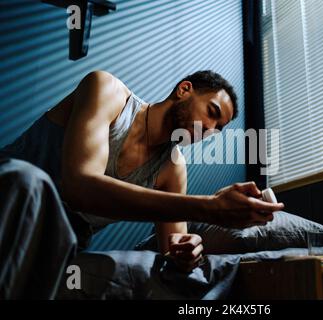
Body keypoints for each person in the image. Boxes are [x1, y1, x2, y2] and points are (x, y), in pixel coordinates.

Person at [0, 70, 283, 298]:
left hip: (57, 240)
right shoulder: (107, 91)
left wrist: (188, 251)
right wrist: (208, 207)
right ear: (184, 90)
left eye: (218, 128)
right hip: (10, 193)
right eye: (211, 112)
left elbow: (173, 249)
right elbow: (79, 187)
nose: (209, 129)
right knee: (30, 182)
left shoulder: (172, 169)